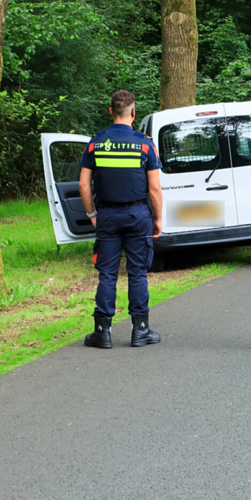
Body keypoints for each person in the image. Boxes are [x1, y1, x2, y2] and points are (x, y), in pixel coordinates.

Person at [78, 90, 164, 349]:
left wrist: (92, 214)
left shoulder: (95, 143)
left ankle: (102, 332)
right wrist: (158, 218)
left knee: (107, 274)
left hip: (107, 215)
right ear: (133, 113)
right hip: (138, 215)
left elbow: (83, 184)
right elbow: (154, 189)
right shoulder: (145, 144)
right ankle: (140, 330)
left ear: (110, 111)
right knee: (137, 273)